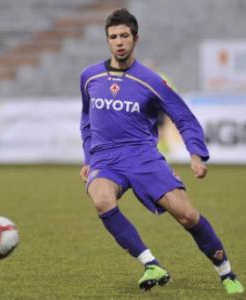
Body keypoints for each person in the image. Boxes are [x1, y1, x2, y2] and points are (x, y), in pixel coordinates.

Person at [79, 8, 244, 295]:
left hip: (142, 156)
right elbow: (86, 120)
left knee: (187, 216)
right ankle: (151, 264)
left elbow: (183, 117)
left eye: (124, 36)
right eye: (113, 37)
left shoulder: (152, 81)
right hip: (106, 158)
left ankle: (226, 272)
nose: (119, 42)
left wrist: (196, 154)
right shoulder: (89, 77)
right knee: (102, 200)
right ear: (107, 40)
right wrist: (88, 157)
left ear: (136, 38)